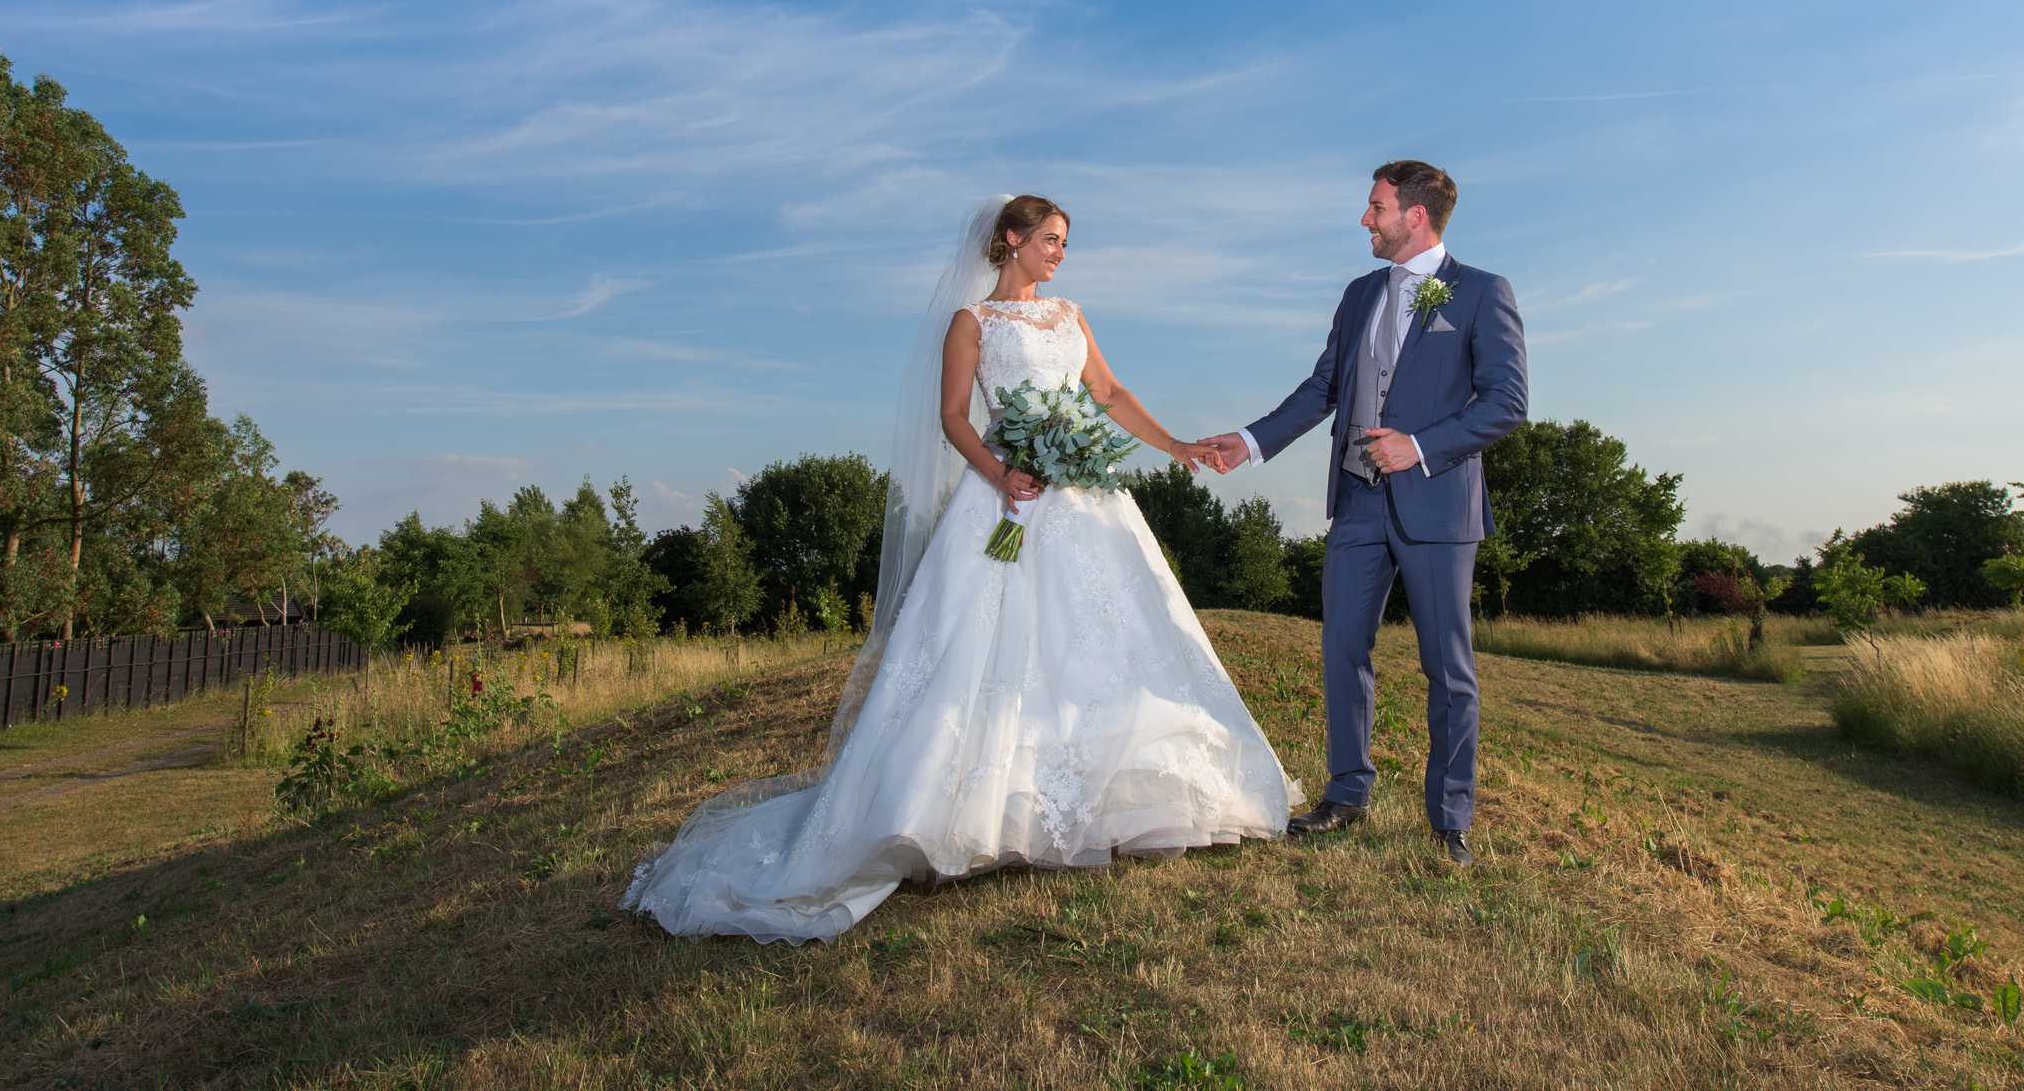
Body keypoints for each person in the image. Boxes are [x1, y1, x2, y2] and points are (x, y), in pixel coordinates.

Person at [622, 195, 1300, 943]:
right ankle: (964, 811)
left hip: (1084, 501)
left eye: (1064, 243)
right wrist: (1000, 471)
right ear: (1010, 241)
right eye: (1049, 240)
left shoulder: (1071, 314)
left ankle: (1105, 800)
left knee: (1105, 643)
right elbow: (953, 416)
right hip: (1005, 498)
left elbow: (1105, 394)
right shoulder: (972, 323)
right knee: (983, 654)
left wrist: (1176, 447)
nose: (1058, 254)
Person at [1200, 161, 1526, 867]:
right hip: (1356, 501)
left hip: (1438, 504)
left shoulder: (1480, 293)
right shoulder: (1357, 297)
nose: (1364, 219)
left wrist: (1421, 446)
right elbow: (1324, 385)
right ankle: (1346, 794)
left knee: (1448, 666)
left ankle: (1450, 817)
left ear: (1415, 215)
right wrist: (1252, 440)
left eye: (1374, 206)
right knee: (1343, 650)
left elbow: (1507, 402)